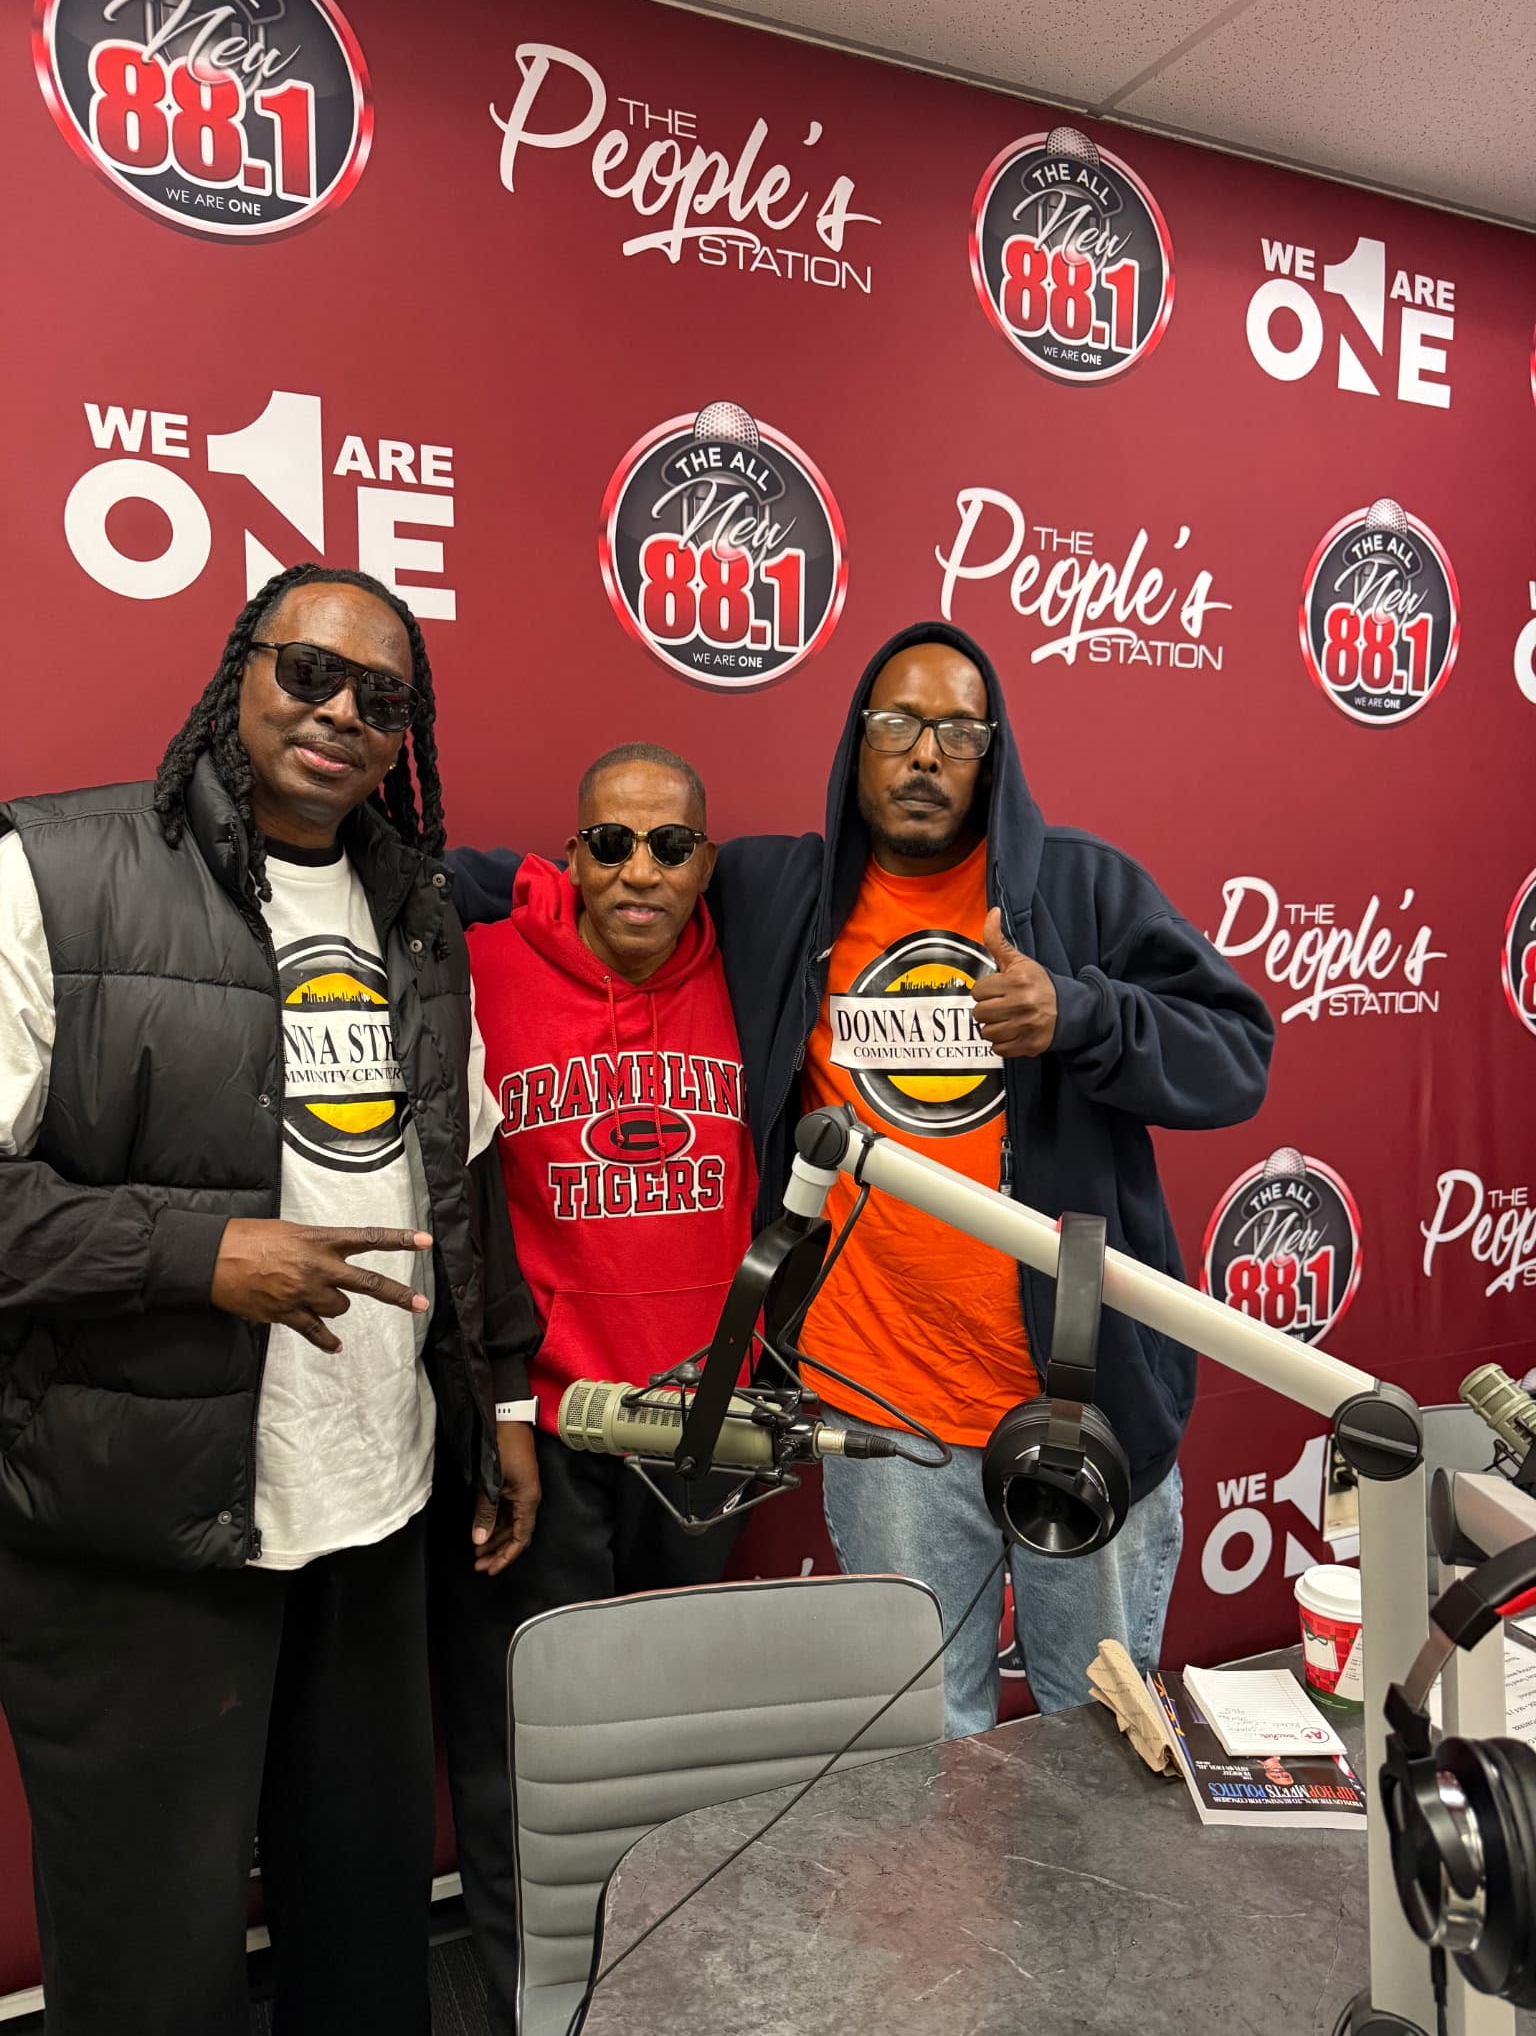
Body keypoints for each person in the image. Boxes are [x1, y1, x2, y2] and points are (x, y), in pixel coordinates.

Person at [448, 619, 1274, 1738]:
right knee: (925, 1749)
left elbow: (1236, 1055)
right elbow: (587, 879)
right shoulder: (783, 888)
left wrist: (1082, 1013)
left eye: (957, 731)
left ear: (994, 753)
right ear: (857, 743)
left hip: (1082, 1405)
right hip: (887, 1411)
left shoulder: (1079, 885)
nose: (924, 753)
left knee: (1102, 1738)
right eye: (897, 724)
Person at [0, 565, 541, 2036]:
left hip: (371, 1505)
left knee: (366, 1948)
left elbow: (460, 1181)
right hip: (142, 1530)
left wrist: (495, 1398)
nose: (344, 713)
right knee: (152, 1973)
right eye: (309, 672)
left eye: (385, 699)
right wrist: (201, 1254)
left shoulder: (417, 909)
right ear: (238, 670)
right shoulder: (53, 869)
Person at [433, 742, 756, 2034]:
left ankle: (669, 1994)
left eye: (670, 845)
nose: (639, 868)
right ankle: (541, 2003)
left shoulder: (758, 975)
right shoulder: (480, 966)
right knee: (530, 1756)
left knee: (680, 1746)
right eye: (609, 842)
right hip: (544, 1429)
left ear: (706, 863)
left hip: (704, 1436)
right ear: (568, 855)